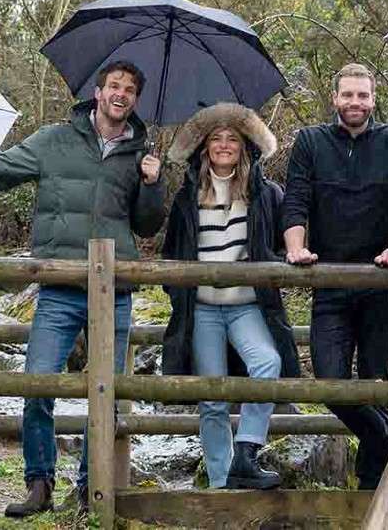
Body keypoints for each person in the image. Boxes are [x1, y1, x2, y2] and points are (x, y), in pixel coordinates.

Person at [0, 60, 166, 517]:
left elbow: (148, 223)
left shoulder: (143, 151)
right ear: (98, 91)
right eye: (113, 86)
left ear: (136, 99)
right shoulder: (54, 140)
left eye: (129, 89)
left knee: (106, 390)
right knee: (37, 381)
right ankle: (39, 484)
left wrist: (152, 182)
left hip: (114, 288)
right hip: (60, 284)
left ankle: (90, 488)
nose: (120, 94)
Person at [281, 62, 388, 490]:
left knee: (375, 380)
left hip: (381, 281)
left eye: (363, 95)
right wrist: (295, 247)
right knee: (329, 381)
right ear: (335, 98)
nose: (355, 103)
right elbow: (296, 200)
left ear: (373, 99)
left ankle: (371, 480)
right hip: (330, 281)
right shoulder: (310, 141)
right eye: (348, 95)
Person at [160, 103, 300, 490]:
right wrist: (181, 297)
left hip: (247, 306)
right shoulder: (187, 198)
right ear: (204, 148)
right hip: (202, 309)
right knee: (212, 397)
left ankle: (246, 454)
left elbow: (280, 243)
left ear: (245, 148)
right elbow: (171, 253)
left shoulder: (266, 194)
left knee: (267, 364)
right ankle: (223, 482)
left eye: (232, 139)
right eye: (216, 139)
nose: (224, 145)